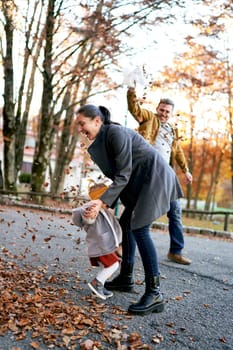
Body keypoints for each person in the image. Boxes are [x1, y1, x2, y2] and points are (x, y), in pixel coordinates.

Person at [75, 104, 183, 316]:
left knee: (139, 228)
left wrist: (103, 203)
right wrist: (104, 205)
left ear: (97, 121)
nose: (80, 128)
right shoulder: (100, 143)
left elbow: (123, 173)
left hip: (155, 177)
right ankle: (126, 278)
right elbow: (117, 177)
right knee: (126, 224)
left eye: (82, 123)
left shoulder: (115, 133)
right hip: (139, 181)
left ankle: (155, 293)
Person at [127, 86, 193, 265]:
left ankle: (175, 251)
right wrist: (132, 91)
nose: (164, 113)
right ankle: (123, 246)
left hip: (166, 176)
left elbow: (177, 150)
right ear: (157, 109)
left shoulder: (172, 129)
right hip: (147, 172)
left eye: (167, 112)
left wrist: (185, 169)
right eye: (161, 110)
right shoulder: (149, 119)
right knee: (136, 212)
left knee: (175, 211)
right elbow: (134, 109)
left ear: (171, 113)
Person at [72, 183, 122, 300]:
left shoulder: (103, 210)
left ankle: (100, 285)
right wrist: (92, 205)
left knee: (106, 265)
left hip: (102, 245)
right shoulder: (94, 209)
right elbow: (83, 213)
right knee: (114, 264)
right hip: (101, 245)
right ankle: (97, 283)